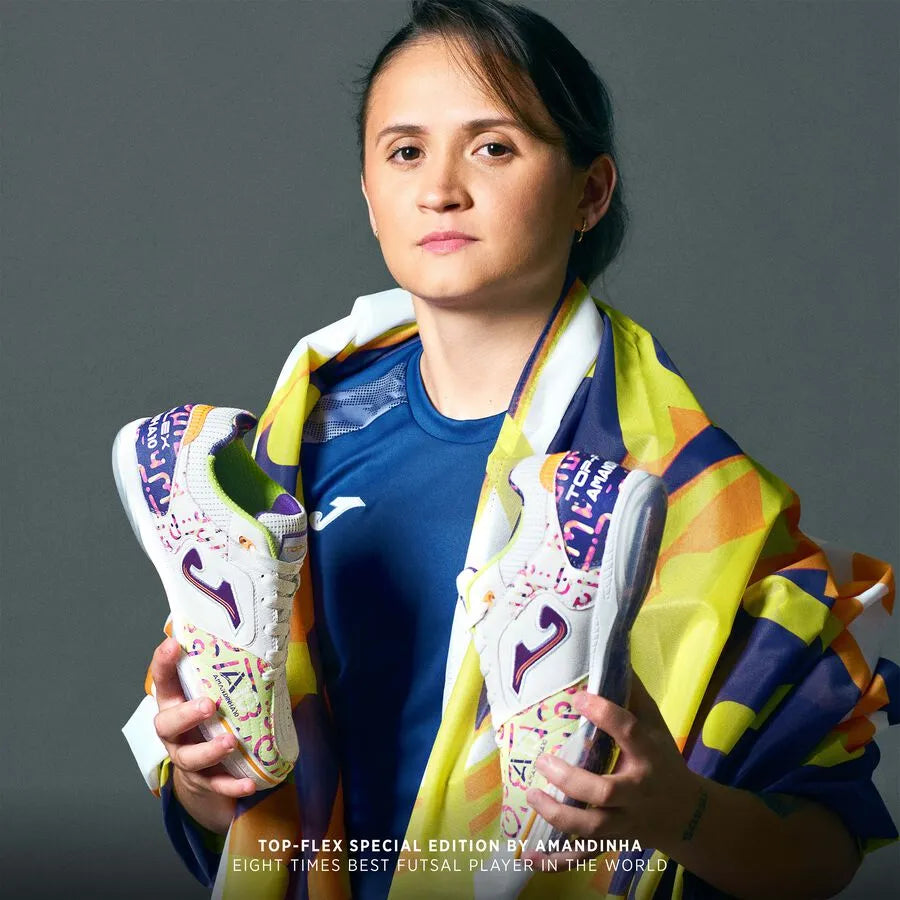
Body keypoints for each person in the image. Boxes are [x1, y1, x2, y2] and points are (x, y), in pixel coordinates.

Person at [126, 2, 899, 898]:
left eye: (493, 147)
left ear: (590, 191)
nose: (440, 188)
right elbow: (255, 821)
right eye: (405, 151)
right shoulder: (290, 453)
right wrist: (202, 775)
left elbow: (823, 847)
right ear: (370, 193)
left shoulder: (696, 497)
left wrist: (672, 812)